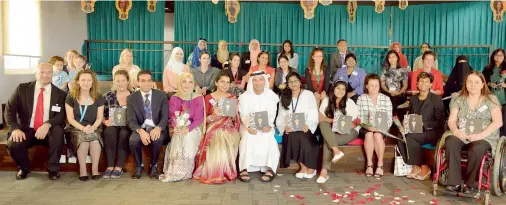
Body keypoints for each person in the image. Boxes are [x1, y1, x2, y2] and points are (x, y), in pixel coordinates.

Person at [443, 71, 502, 195]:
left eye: (476, 82)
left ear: (482, 84)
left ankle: (470, 185)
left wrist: (480, 135)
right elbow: (452, 120)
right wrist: (456, 131)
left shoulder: (491, 99)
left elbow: (498, 122)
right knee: (450, 141)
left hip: (484, 137)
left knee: (477, 148)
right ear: (465, 83)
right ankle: (454, 182)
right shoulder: (458, 99)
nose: (473, 85)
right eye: (470, 82)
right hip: (463, 134)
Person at [5, 63, 67, 180]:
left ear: (53, 74)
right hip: (26, 129)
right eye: (42, 72)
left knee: (58, 131)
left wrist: (47, 124)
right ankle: (24, 168)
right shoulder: (22, 89)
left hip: (49, 130)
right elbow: (9, 110)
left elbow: (61, 114)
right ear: (35, 74)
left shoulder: (61, 94)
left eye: (49, 72)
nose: (45, 75)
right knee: (13, 144)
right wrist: (15, 128)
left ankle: (53, 170)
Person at [193, 72, 241, 184]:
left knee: (228, 135)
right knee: (219, 135)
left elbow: (235, 121)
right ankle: (215, 171)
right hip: (213, 126)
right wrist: (213, 117)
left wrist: (235, 113)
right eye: (222, 82)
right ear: (216, 83)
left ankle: (226, 171)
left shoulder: (232, 98)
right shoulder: (208, 98)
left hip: (229, 127)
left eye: (228, 82)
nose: (225, 85)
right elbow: (203, 120)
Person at [397, 72, 445, 181]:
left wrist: (424, 124)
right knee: (401, 136)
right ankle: (416, 165)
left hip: (433, 130)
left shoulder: (436, 99)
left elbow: (440, 121)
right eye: (421, 81)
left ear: (430, 85)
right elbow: (411, 115)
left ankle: (424, 166)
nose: (423, 83)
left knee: (411, 137)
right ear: (417, 84)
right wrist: (405, 123)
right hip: (416, 128)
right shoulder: (413, 99)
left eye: (426, 81)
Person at [160, 72, 204, 182]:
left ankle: (185, 171)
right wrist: (176, 127)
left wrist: (187, 128)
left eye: (190, 82)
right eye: (184, 81)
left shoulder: (198, 98)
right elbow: (171, 116)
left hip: (193, 128)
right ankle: (175, 170)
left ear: (193, 84)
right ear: (180, 83)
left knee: (187, 137)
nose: (187, 85)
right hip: (177, 127)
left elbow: (199, 119)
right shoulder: (175, 97)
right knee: (177, 137)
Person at [237, 71, 280, 183]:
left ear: (264, 81)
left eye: (260, 79)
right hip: (248, 126)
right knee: (247, 137)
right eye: (254, 80)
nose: (258, 82)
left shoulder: (271, 96)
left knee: (268, 137)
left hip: (266, 126)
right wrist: (249, 126)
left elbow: (272, 114)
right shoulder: (244, 97)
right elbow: (243, 115)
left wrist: (269, 126)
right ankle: (244, 168)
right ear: (251, 82)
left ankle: (270, 168)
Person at [127, 70, 168, 180]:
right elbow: (131, 120)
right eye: (143, 81)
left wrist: (158, 128)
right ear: (138, 83)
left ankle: (154, 166)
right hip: (141, 127)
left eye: (149, 80)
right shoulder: (131, 98)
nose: (147, 83)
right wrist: (140, 131)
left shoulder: (161, 95)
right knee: (133, 140)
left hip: (157, 126)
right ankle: (139, 166)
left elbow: (165, 116)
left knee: (157, 139)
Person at [276, 73, 319, 179]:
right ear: (287, 84)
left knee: (303, 136)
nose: (293, 83)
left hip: (305, 126)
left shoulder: (308, 94)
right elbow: (281, 115)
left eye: (295, 81)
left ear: (300, 82)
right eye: (290, 82)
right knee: (291, 136)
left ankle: (312, 167)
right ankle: (303, 167)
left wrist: (308, 125)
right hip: (291, 127)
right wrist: (284, 127)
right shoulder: (284, 97)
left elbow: (313, 112)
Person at [64, 69, 105, 181]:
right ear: (78, 81)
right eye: (83, 80)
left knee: (95, 141)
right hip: (75, 128)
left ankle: (95, 170)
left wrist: (93, 127)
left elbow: (100, 117)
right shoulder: (71, 96)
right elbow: (70, 119)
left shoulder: (99, 96)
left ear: (93, 82)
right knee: (83, 141)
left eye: (89, 80)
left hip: (94, 127)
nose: (86, 83)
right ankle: (82, 170)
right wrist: (83, 128)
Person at [316, 80, 360, 183]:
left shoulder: (350, 103)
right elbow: (320, 119)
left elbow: (356, 122)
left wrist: (343, 128)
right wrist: (334, 121)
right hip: (331, 130)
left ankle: (324, 171)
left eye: (343, 89)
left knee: (327, 140)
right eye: (338, 88)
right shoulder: (326, 101)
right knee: (323, 125)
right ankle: (336, 152)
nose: (340, 91)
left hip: (350, 131)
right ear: (333, 89)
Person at [356, 74, 393, 178]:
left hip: (382, 127)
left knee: (377, 135)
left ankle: (380, 164)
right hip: (365, 127)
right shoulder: (361, 99)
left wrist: (380, 128)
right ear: (366, 86)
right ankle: (369, 164)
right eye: (371, 85)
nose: (374, 88)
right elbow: (359, 118)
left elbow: (389, 119)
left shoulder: (386, 99)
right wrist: (368, 127)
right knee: (369, 135)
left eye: (376, 85)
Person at [102, 70, 132, 179]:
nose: (121, 83)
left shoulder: (134, 96)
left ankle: (119, 167)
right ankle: (110, 166)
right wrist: (105, 121)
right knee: (109, 131)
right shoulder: (107, 96)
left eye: (123, 80)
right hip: (112, 125)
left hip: (128, 127)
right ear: (114, 82)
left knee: (124, 134)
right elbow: (101, 114)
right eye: (118, 81)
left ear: (128, 81)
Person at [380, 50, 409, 114]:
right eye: (389, 57)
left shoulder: (403, 70)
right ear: (388, 59)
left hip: (399, 94)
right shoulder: (385, 71)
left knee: (394, 99)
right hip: (387, 93)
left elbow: (405, 85)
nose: (391, 59)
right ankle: (394, 118)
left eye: (393, 57)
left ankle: (392, 118)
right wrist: (389, 91)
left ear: (397, 58)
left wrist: (398, 92)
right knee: (390, 98)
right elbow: (382, 85)